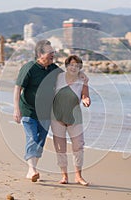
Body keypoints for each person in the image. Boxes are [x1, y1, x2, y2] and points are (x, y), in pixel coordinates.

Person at [13, 40, 62, 182]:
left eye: (53, 52)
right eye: (50, 52)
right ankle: (31, 170)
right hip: (28, 110)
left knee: (40, 140)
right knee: (32, 137)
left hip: (46, 112)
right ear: (40, 54)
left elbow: (66, 82)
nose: (53, 54)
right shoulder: (29, 68)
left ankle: (33, 167)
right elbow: (18, 88)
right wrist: (16, 109)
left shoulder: (54, 69)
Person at [51, 55, 91, 186]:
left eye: (77, 65)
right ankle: (64, 176)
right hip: (57, 116)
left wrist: (85, 99)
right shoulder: (58, 77)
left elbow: (85, 94)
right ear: (67, 66)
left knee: (78, 145)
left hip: (75, 117)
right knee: (60, 147)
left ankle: (78, 176)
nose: (74, 67)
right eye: (72, 65)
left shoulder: (82, 79)